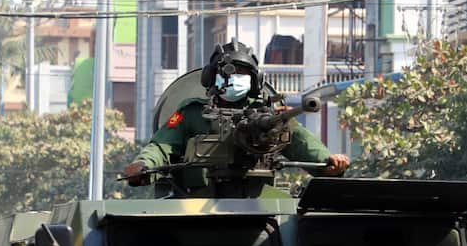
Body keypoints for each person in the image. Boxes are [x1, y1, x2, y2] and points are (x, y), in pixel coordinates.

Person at [122, 40, 350, 189]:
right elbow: (162, 146)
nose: (235, 78)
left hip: (257, 204)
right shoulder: (192, 113)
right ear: (212, 77)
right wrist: (143, 165)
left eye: (243, 73)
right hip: (196, 202)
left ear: (255, 80)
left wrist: (327, 162)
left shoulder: (269, 118)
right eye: (228, 71)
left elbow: (301, 143)